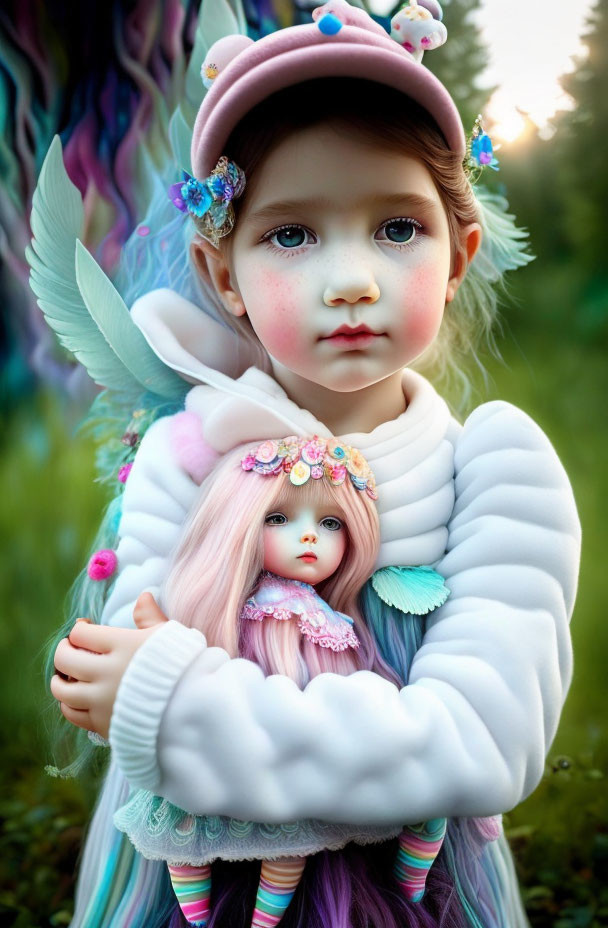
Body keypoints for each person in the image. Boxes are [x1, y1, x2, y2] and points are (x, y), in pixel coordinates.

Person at [42, 1, 581, 925]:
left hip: (411, 894)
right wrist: (124, 689)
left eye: (398, 227)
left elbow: (479, 741)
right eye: (291, 235)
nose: (352, 279)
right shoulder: (191, 455)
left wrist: (179, 709)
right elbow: (125, 668)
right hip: (197, 888)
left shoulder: (495, 469)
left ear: (459, 255)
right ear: (224, 277)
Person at [114, 436, 455, 926]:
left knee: (301, 838)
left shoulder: (337, 620)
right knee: (191, 827)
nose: (309, 536)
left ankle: (403, 888)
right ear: (242, 525)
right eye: (279, 518)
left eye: (330, 522)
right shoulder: (250, 608)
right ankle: (198, 918)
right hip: (244, 733)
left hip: (313, 740)